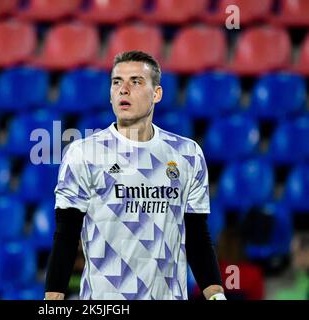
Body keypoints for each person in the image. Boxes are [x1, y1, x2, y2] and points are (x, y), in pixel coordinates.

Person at [44, 50, 226, 300]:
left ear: (157, 93)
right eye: (117, 82)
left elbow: (196, 236)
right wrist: (53, 299)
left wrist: (216, 295)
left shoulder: (187, 154)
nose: (123, 89)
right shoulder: (84, 153)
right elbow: (66, 235)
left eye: (136, 82)